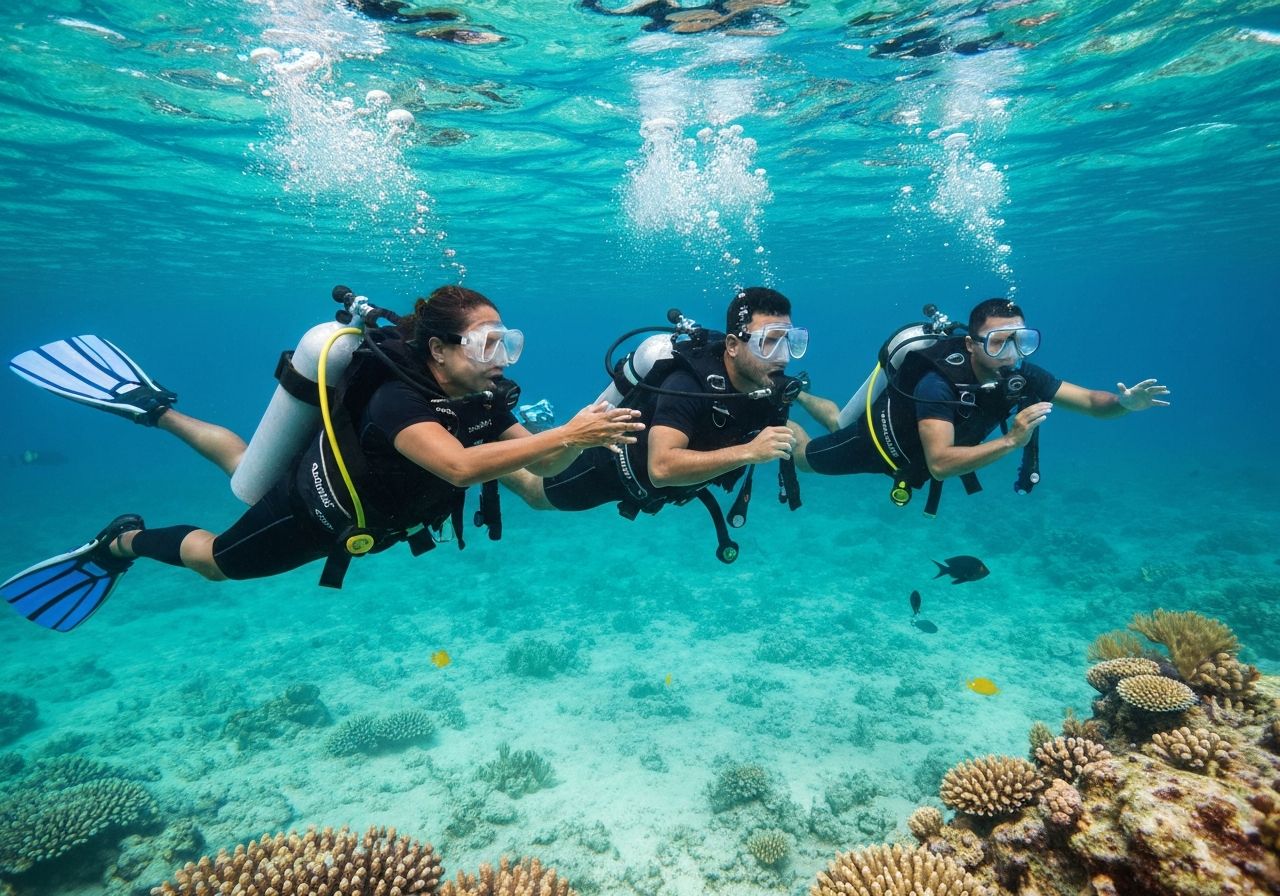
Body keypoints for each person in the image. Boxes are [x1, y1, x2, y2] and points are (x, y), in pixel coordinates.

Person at [1, 286, 643, 631]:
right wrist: (566, 436)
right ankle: (122, 542)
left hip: (355, 499)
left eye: (508, 344)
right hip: (313, 511)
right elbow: (459, 469)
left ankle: (159, 410)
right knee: (217, 562)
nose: (500, 360)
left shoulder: (482, 397)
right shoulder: (396, 400)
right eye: (487, 345)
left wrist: (572, 445)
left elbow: (538, 472)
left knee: (248, 464)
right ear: (441, 350)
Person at [502, 287, 807, 561]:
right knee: (535, 493)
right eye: (768, 342)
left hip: (662, 489)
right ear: (732, 345)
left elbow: (788, 436)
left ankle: (535, 425)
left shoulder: (764, 387)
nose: (782, 357)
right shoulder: (688, 384)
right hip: (612, 465)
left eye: (790, 341)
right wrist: (748, 452)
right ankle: (492, 430)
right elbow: (661, 469)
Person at [793, 297, 1170, 511]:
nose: (1012, 354)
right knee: (804, 458)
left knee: (839, 418)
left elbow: (1090, 402)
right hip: (881, 447)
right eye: (997, 343)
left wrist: (1124, 403)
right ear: (972, 345)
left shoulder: (1022, 374)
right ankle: (784, 405)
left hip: (920, 454)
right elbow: (940, 465)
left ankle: (799, 393)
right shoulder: (936, 384)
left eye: (1022, 341)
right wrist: (1011, 441)